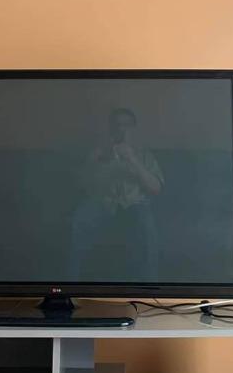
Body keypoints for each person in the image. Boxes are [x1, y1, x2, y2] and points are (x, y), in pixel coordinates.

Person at [69, 108, 164, 281]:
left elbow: (156, 188)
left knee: (147, 229)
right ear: (111, 129)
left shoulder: (144, 155)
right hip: (102, 202)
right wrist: (92, 161)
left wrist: (132, 159)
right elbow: (81, 185)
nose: (122, 129)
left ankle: (151, 286)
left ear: (134, 129)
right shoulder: (99, 153)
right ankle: (69, 283)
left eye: (127, 125)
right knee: (79, 220)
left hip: (136, 204)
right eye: (117, 125)